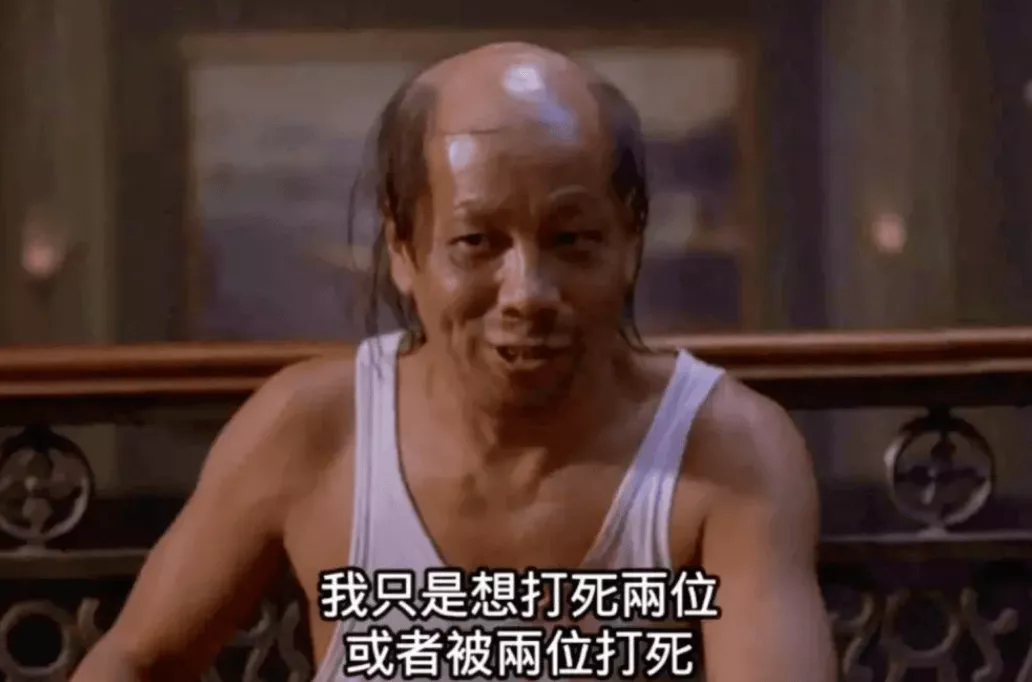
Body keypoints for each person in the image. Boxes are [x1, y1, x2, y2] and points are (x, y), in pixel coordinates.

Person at [71, 42, 835, 682]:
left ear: (629, 243)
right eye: (476, 242)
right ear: (404, 250)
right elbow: (137, 658)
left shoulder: (730, 451)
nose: (528, 293)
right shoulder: (311, 431)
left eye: (572, 241)